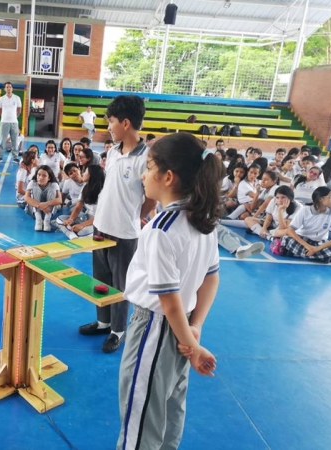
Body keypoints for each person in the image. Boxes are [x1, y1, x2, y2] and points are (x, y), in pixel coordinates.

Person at [117, 132, 220, 450]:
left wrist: (192, 346)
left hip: (155, 329)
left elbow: (169, 303)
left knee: (142, 415)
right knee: (169, 411)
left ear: (168, 176)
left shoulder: (161, 229)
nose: (144, 175)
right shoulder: (202, 220)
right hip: (184, 328)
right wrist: (195, 330)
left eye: (148, 167)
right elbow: (211, 279)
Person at [79, 95, 156, 354]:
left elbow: (151, 198)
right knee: (100, 279)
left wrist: (134, 216)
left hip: (124, 232)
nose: (108, 127)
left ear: (125, 122)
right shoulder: (112, 153)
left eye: (111, 122)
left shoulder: (145, 157)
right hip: (101, 226)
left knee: (120, 284)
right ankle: (103, 321)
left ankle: (118, 330)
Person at [282, 187, 331, 262]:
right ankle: (322, 257)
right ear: (321, 199)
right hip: (303, 240)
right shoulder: (305, 210)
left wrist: (316, 248)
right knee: (286, 239)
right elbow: (290, 230)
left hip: (320, 243)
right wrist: (307, 246)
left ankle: (301, 254)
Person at [55, 165, 105, 240]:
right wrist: (71, 219)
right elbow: (78, 207)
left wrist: (82, 225)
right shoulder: (85, 188)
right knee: (59, 219)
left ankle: (70, 233)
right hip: (87, 218)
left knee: (82, 233)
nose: (83, 173)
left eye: (85, 172)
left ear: (91, 175)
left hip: (99, 222)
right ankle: (73, 235)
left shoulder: (103, 192)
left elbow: (100, 216)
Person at [0, 81, 22, 163]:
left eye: (10, 87)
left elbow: (19, 110)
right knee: (2, 140)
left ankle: (15, 157)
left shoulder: (17, 98)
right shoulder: (1, 99)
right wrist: (4, 117)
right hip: (4, 122)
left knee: (15, 140)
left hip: (14, 122)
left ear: (12, 88)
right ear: (5, 89)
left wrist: (14, 117)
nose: (8, 88)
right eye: (7, 87)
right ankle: (0, 156)